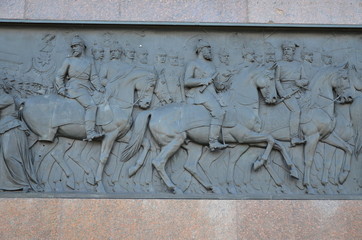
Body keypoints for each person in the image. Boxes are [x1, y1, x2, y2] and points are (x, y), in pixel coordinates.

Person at [55, 35, 104, 141]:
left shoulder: (90, 61)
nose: (74, 48)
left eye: (76, 46)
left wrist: (100, 88)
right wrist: (61, 88)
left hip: (87, 87)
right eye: (72, 46)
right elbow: (59, 76)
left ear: (82, 47)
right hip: (75, 88)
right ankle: (90, 132)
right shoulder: (69, 61)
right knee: (91, 106)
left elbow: (94, 77)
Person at [184, 39, 228, 151]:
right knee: (218, 112)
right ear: (201, 50)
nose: (210, 51)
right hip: (199, 94)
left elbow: (216, 84)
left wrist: (221, 85)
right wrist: (203, 80)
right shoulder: (193, 64)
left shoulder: (212, 65)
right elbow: (187, 81)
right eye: (207, 49)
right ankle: (213, 141)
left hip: (212, 94)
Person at [0, 80, 39, 191]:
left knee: (9, 156)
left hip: (12, 129)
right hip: (4, 129)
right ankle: (7, 184)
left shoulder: (6, 98)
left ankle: (23, 183)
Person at [275, 41, 308, 147]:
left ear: (293, 51)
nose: (286, 52)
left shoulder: (299, 64)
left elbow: (305, 79)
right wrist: (282, 93)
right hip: (286, 92)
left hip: (298, 91)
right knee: (296, 110)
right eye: (285, 50)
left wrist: (300, 82)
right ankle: (294, 137)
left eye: (288, 49)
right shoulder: (279, 64)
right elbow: (276, 80)